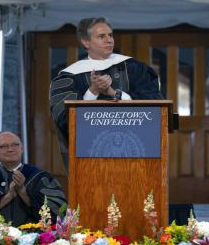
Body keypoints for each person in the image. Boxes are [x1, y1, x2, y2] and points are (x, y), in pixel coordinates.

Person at [49, 17, 163, 164]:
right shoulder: (70, 76)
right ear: (86, 42)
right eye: (101, 36)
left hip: (138, 155)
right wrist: (93, 91)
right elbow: (65, 120)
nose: (109, 40)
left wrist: (114, 93)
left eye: (110, 35)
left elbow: (155, 105)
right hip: (90, 159)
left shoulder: (134, 68)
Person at [0, 131, 67, 226]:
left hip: (36, 241)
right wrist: (7, 197)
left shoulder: (40, 177)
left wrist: (23, 192)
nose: (10, 149)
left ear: (22, 148)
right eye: (3, 146)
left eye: (15, 145)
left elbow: (58, 214)